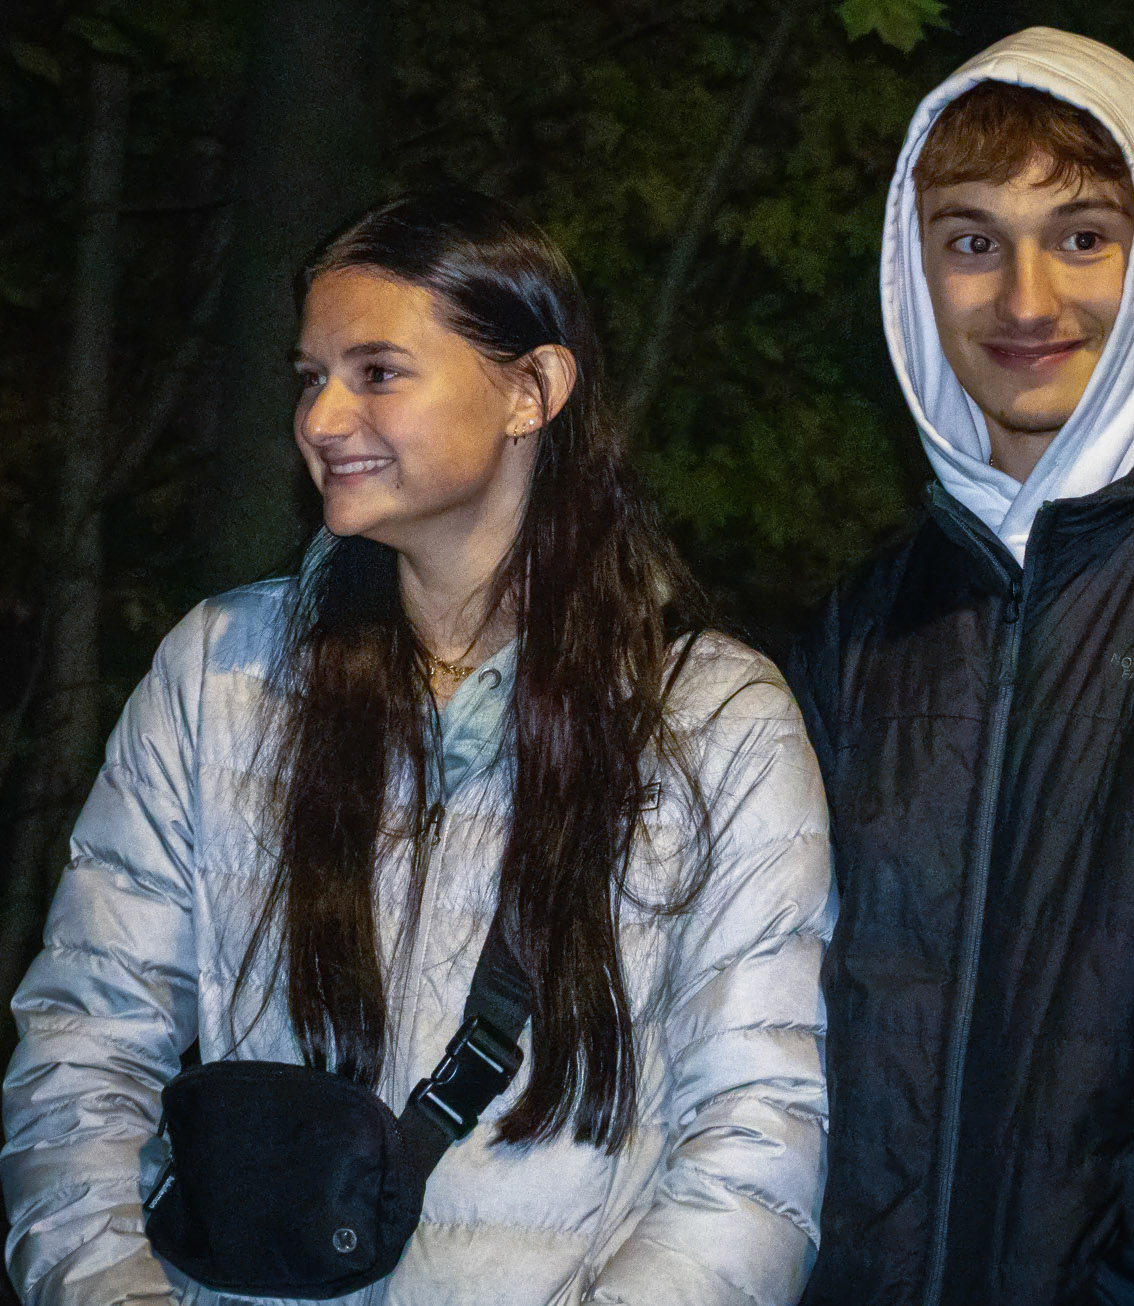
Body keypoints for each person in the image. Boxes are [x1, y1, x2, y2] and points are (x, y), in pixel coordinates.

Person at [1, 192, 834, 1306]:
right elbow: (84, 1046)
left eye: (377, 371)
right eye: (309, 376)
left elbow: (750, 1138)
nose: (322, 418)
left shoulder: (712, 723)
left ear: (532, 389)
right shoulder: (223, 673)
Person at [792, 27, 1134, 1306]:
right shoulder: (859, 629)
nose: (1025, 300)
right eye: (970, 239)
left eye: (1082, 235)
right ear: (913, 274)